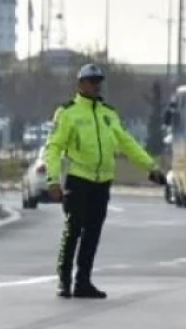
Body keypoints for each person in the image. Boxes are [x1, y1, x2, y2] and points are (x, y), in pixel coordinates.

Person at [43, 64, 166, 299]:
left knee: (93, 233)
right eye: (90, 81)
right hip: (79, 180)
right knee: (73, 231)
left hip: (102, 183)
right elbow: (54, 147)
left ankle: (83, 282)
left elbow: (127, 142)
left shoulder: (108, 114)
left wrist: (150, 167)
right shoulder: (68, 112)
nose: (95, 85)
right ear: (80, 84)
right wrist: (53, 180)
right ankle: (64, 279)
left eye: (98, 81)